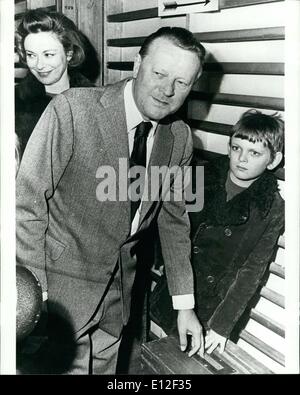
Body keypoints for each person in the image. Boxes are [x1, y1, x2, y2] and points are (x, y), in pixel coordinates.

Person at [16, 27, 206, 374]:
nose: (167, 90)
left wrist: (184, 305)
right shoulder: (73, 109)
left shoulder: (180, 139)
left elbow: (175, 222)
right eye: (159, 73)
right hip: (58, 301)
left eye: (182, 82)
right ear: (138, 63)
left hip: (119, 304)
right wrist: (34, 297)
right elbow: (27, 205)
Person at [150, 109, 284, 354]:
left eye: (254, 152)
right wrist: (161, 258)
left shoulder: (272, 208)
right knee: (154, 352)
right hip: (177, 289)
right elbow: (171, 221)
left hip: (213, 306)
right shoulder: (202, 178)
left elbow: (252, 271)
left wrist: (222, 326)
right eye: (236, 148)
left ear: (273, 160)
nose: (241, 158)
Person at [15, 8, 94, 158]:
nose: (39, 65)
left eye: (48, 55)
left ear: (69, 54)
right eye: (31, 55)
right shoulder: (13, 102)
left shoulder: (95, 101)